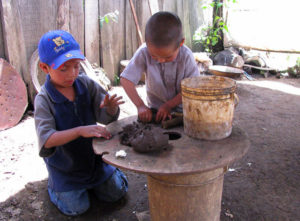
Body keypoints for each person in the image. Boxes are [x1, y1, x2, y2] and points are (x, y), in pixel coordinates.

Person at [34, 30, 128, 216]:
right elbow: (47, 139)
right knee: (77, 208)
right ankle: (55, 186)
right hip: (65, 167)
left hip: (93, 160)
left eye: (76, 66)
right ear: (45, 68)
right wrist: (79, 131)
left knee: (117, 193)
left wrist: (109, 109)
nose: (72, 74)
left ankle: (104, 177)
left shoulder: (86, 84)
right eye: (63, 68)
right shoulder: (44, 100)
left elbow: (105, 119)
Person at [120, 11, 200, 123]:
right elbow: (126, 80)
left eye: (168, 57)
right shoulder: (144, 52)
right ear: (147, 43)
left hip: (184, 110)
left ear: (181, 43)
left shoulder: (186, 56)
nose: (161, 60)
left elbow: (193, 88)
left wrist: (169, 105)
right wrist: (140, 106)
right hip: (156, 110)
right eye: (154, 56)